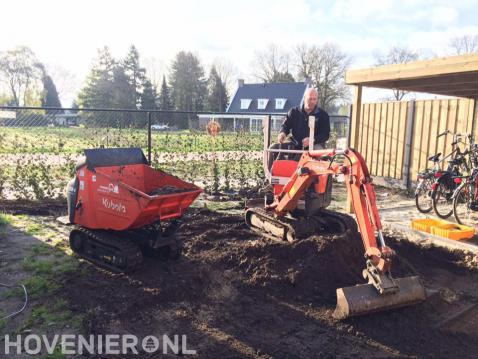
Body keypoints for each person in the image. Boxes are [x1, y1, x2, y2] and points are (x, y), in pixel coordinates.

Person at [267, 88, 330, 171]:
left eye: (314, 99)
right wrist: (282, 133)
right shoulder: (294, 112)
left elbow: (325, 135)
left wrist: (312, 140)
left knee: (322, 156)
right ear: (304, 98)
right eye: (310, 99)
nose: (312, 101)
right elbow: (285, 126)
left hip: (315, 145)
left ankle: (316, 180)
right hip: (295, 144)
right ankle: (270, 176)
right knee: (273, 148)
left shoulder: (323, 115)